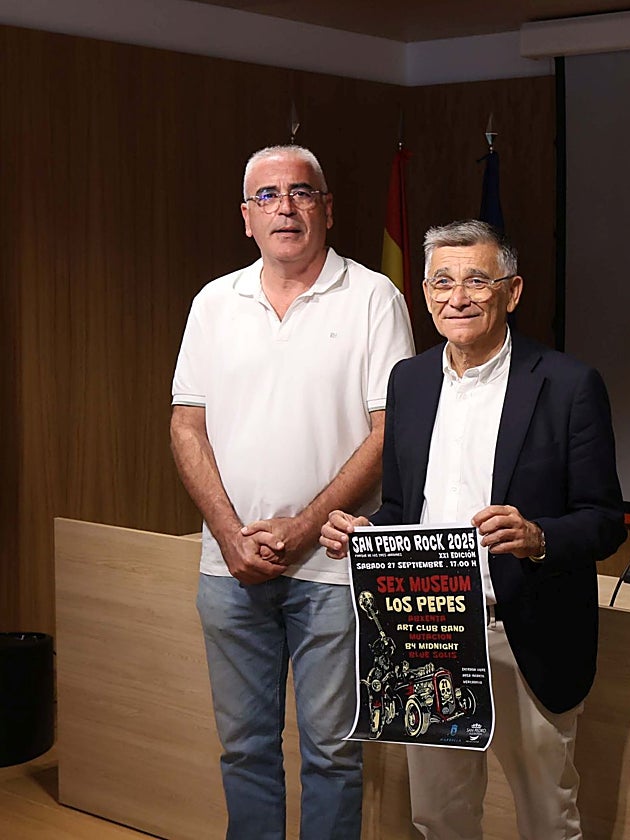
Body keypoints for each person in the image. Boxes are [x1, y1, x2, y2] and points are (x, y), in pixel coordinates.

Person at [321, 220, 626, 840]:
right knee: (438, 816)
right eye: (441, 281)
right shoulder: (409, 382)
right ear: (426, 294)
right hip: (426, 630)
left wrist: (539, 536)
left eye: (476, 281)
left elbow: (604, 520)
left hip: (525, 632)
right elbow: (405, 506)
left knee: (546, 815)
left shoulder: (568, 386)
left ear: (511, 292)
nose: (457, 296)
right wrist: (365, 533)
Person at [170, 144, 415, 839]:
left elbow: (387, 431)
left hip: (333, 570)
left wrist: (302, 529)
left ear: (327, 209)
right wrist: (227, 534)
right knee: (244, 751)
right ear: (247, 218)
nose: (285, 207)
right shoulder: (215, 303)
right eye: (268, 196)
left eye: (301, 193)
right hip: (231, 569)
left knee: (333, 755)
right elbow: (186, 426)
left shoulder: (374, 297)